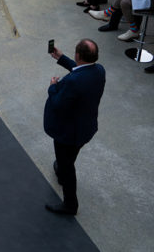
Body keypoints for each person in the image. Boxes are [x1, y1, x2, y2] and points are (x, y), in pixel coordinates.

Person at [43, 39, 106, 216]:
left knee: (67, 164)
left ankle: (70, 205)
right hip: (85, 128)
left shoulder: (72, 82)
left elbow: (57, 104)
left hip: (68, 132)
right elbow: (82, 71)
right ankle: (62, 171)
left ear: (78, 55)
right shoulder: (99, 71)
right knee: (69, 158)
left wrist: (52, 87)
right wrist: (62, 58)